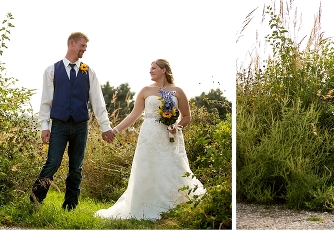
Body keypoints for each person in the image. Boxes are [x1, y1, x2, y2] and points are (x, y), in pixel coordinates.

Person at [94, 59, 205, 221]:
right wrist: (115, 130)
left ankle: (175, 206)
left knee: (172, 167)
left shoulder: (178, 91)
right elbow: (134, 115)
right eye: (150, 68)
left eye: (154, 68)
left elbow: (187, 116)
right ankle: (145, 207)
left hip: (170, 136)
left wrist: (178, 127)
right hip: (149, 136)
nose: (150, 71)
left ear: (164, 70)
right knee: (147, 169)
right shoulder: (145, 91)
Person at [30, 32, 115, 211]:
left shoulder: (89, 72)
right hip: (59, 124)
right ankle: (36, 200)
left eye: (86, 47)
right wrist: (44, 127)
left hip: (80, 126)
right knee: (52, 162)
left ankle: (70, 206)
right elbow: (46, 102)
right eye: (82, 46)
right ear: (72, 43)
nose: (84, 49)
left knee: (76, 167)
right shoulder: (51, 70)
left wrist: (105, 126)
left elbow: (98, 102)